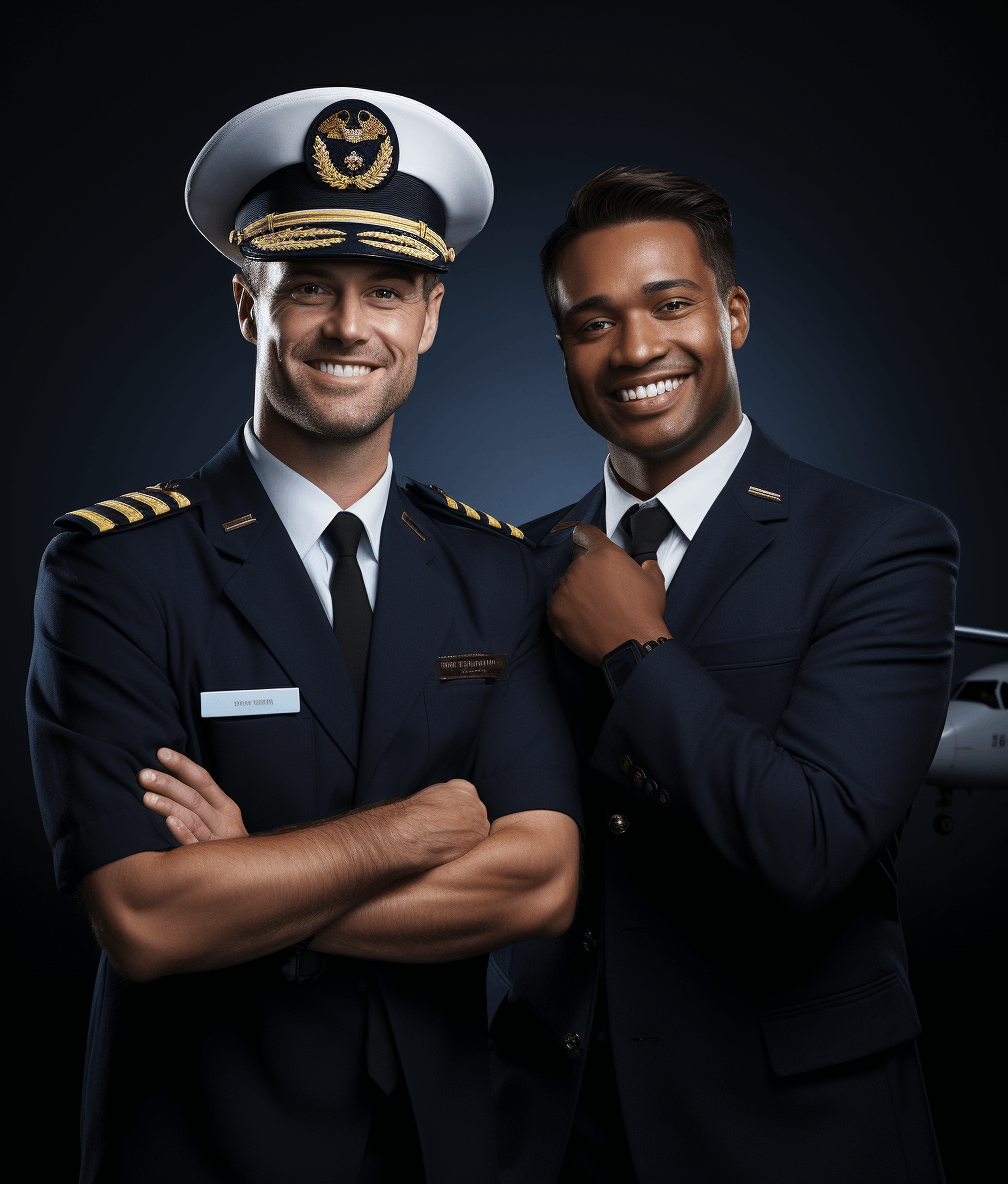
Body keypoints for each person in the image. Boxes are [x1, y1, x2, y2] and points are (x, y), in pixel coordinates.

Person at [26, 88, 581, 1184]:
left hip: (440, 1147)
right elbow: (145, 915)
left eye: (386, 291)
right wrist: (408, 831)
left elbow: (540, 880)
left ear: (427, 318)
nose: (347, 327)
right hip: (202, 1146)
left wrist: (253, 876)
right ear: (248, 306)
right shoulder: (117, 567)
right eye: (308, 289)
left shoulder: (490, 566)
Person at [488, 167, 957, 1184]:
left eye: (671, 304)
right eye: (592, 322)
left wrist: (636, 649)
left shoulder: (879, 545)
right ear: (564, 350)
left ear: (733, 314)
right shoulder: (507, 569)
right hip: (552, 1133)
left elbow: (812, 842)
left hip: (798, 1136)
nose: (638, 348)